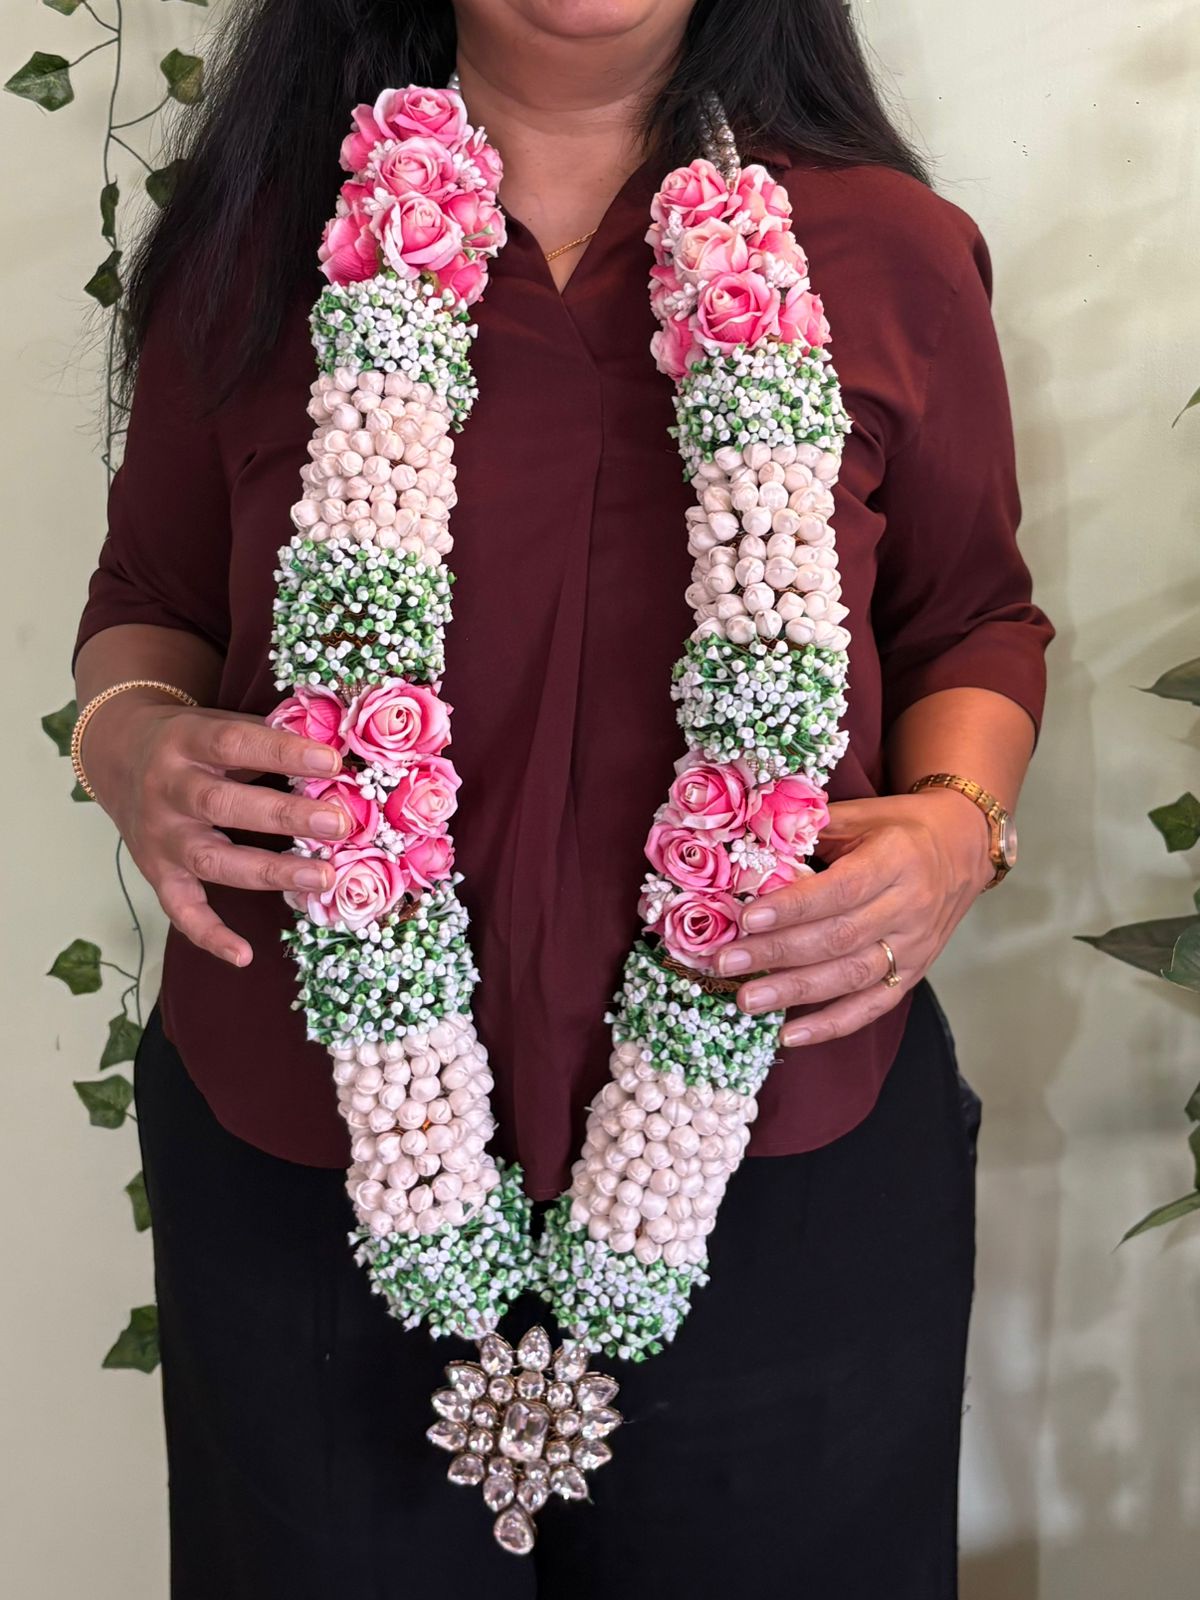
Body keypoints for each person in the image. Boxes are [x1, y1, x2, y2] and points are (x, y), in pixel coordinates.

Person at [71, 1, 1053, 1595]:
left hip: (781, 1153)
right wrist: (127, 740)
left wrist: (957, 823)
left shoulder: (884, 246)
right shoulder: (262, 234)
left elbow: (973, 620)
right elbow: (150, 595)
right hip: (309, 1154)